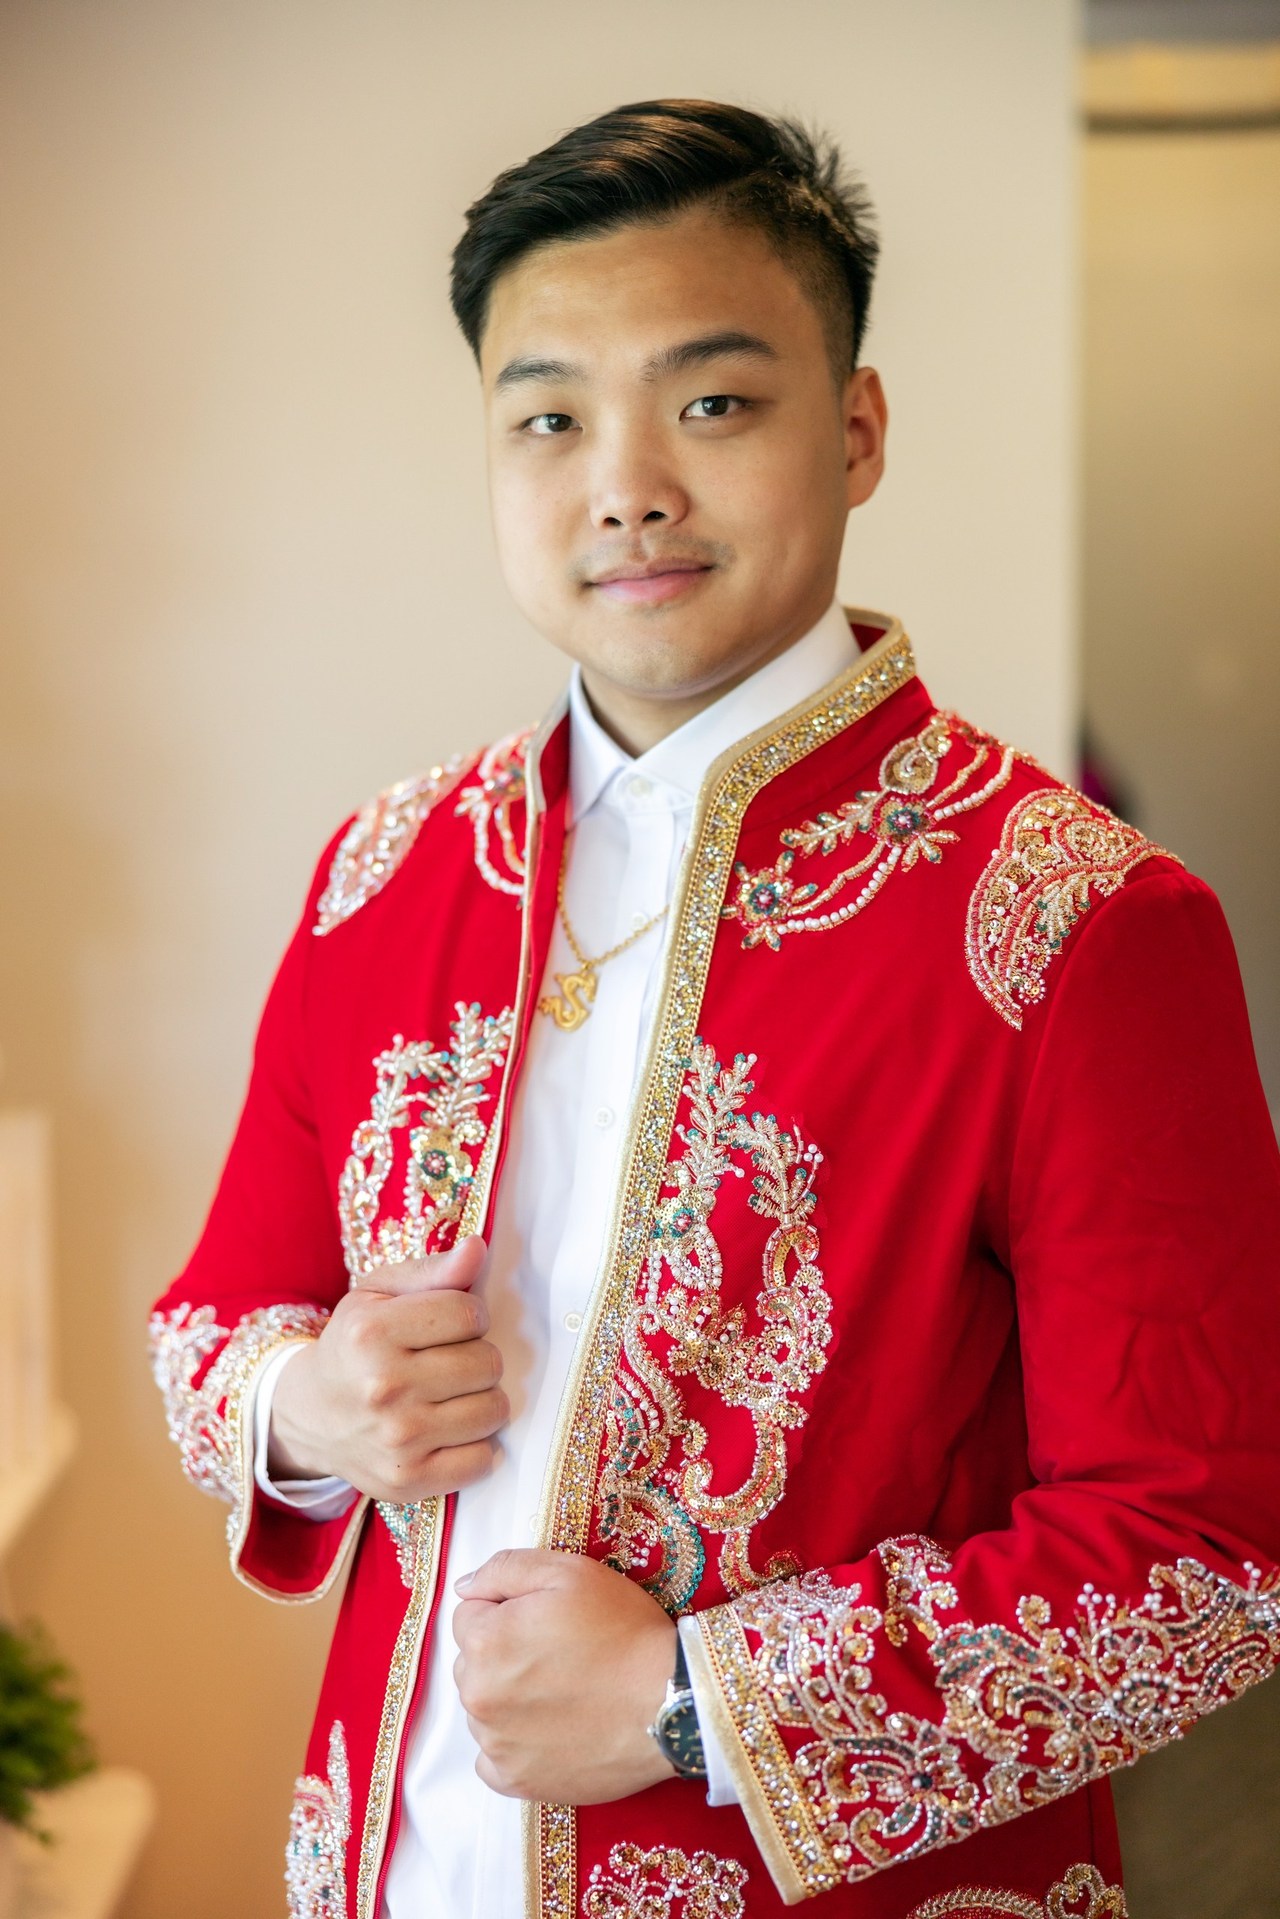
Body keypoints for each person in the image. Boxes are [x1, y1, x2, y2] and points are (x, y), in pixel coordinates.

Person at [148, 99, 1280, 1919]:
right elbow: (218, 1317)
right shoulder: (388, 872)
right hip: (387, 1869)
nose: (625, 486)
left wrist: (693, 1703)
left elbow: (1208, 1551)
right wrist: (305, 1405)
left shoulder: (1075, 922)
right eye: (548, 419)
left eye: (715, 402)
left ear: (857, 428)